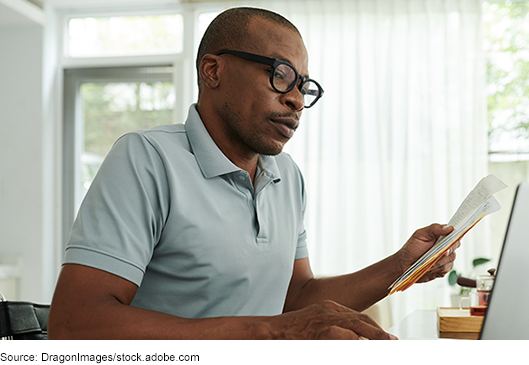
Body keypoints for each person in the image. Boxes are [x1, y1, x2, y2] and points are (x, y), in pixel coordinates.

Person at [48, 7, 459, 340]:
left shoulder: (287, 176)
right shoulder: (146, 159)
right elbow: (74, 325)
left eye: (303, 85)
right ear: (213, 71)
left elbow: (295, 297)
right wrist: (268, 332)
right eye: (280, 75)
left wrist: (402, 266)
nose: (296, 99)